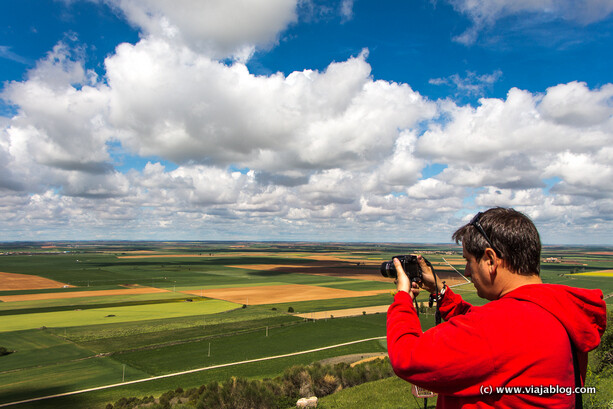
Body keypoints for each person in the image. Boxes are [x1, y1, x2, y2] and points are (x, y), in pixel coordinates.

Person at [387, 207, 607, 408]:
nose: (466, 272)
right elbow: (487, 329)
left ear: (490, 259)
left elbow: (407, 357)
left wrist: (403, 299)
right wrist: (440, 292)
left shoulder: (499, 329)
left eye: (468, 261)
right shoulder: (559, 311)